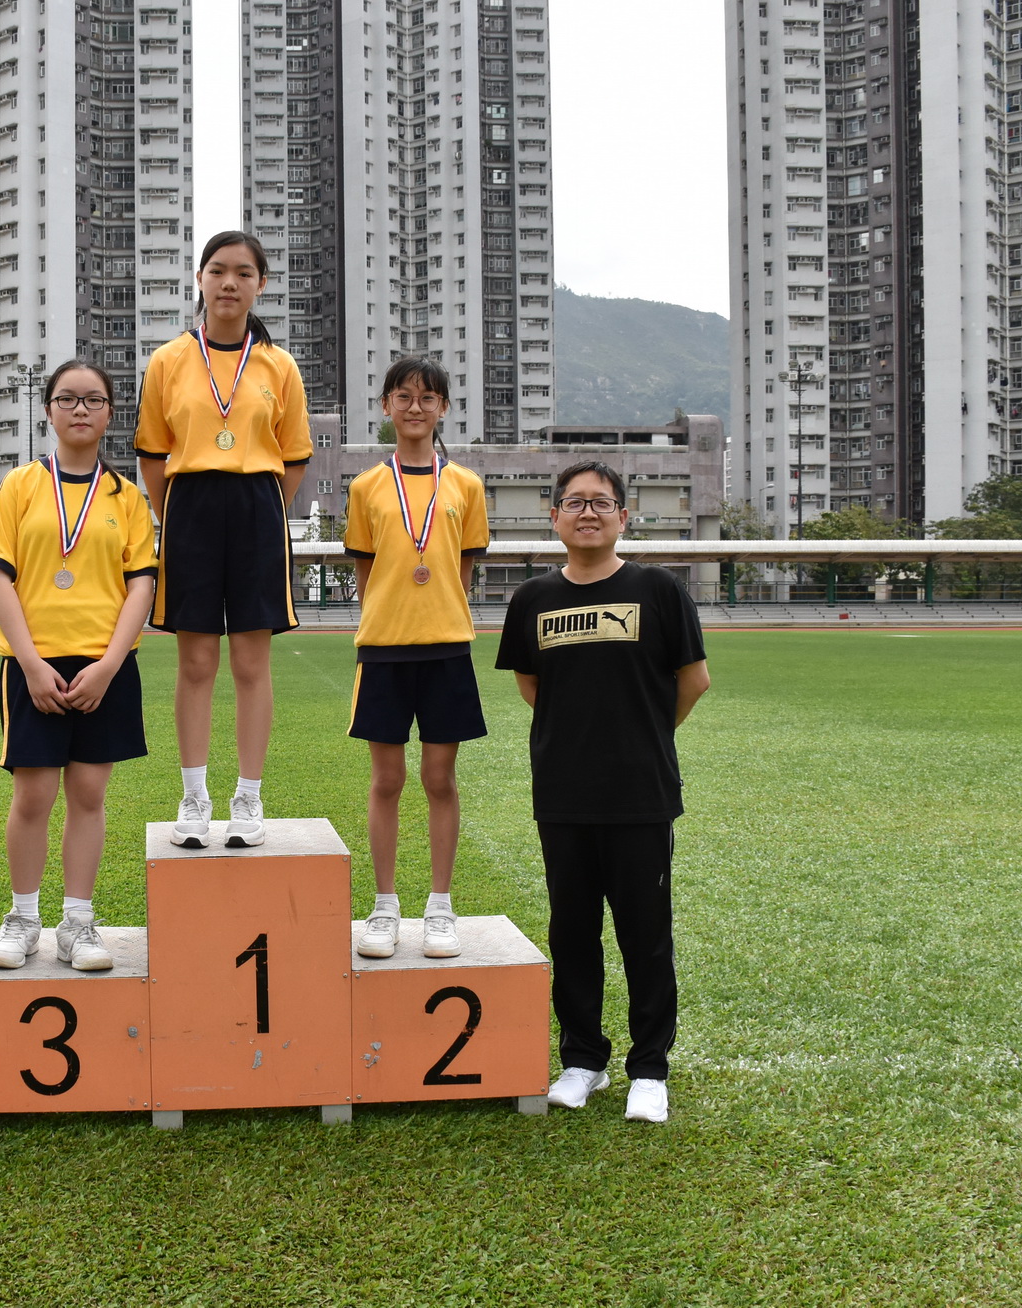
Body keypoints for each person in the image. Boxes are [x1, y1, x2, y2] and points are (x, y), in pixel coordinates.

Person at [494, 460, 711, 1124]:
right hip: (563, 795)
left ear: (623, 515)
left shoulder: (659, 590)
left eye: (601, 502)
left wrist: (641, 736)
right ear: (554, 515)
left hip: (641, 794)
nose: (587, 512)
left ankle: (649, 1069)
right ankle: (583, 1060)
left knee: (645, 936)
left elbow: (694, 681)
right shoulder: (532, 599)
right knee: (573, 933)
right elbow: (532, 686)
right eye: (574, 502)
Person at [0, 360, 157, 972]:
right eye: (67, 399)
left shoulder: (126, 498)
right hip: (33, 663)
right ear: (48, 410)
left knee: (87, 792)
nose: (80, 409)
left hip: (104, 665)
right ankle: (23, 919)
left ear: (111, 414)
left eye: (93, 400)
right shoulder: (21, 485)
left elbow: (141, 586)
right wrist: (30, 662)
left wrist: (109, 666)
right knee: (33, 794)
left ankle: (77, 924)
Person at [135, 231, 311, 848]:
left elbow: (294, 458)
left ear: (261, 284)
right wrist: (179, 516)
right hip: (190, 508)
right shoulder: (168, 360)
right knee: (196, 662)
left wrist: (262, 510)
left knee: (251, 663)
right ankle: (194, 796)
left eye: (242, 272)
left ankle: (248, 797)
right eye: (217, 270)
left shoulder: (279, 365)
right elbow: (153, 455)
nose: (229, 282)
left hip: (258, 507)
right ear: (200, 280)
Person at [342, 356, 491, 960]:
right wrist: (392, 615)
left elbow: (463, 569)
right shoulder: (365, 487)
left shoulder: (467, 486)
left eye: (428, 398)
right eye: (403, 396)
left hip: (447, 648)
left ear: (443, 409)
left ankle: (439, 906)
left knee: (439, 779)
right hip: (383, 649)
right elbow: (365, 573)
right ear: (386, 406)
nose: (415, 407)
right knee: (387, 780)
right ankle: (384, 907)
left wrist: (436, 612)